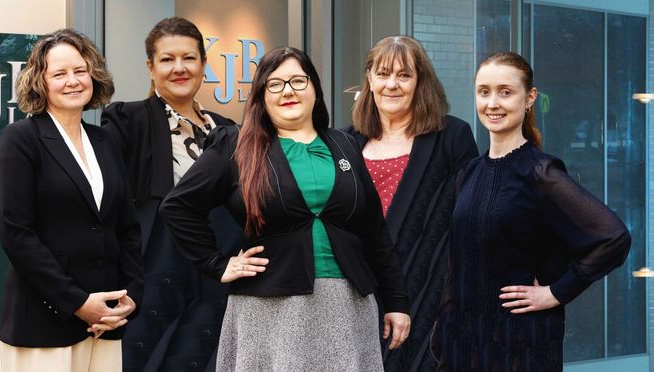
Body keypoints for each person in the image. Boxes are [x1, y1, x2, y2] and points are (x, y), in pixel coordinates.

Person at [160, 46, 411, 371]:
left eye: (298, 81)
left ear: (315, 90)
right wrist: (215, 263)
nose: (288, 91)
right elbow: (178, 207)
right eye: (275, 84)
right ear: (261, 95)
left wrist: (396, 301)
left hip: (347, 304)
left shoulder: (344, 144)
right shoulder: (236, 146)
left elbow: (374, 230)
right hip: (269, 307)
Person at [433, 51, 631, 371]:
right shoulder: (467, 173)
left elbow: (613, 237)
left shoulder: (541, 172)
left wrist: (556, 292)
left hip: (521, 345)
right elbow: (459, 264)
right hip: (464, 345)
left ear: (530, 98)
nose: (493, 103)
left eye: (505, 92)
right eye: (484, 92)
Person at [0, 29, 143, 372]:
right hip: (44, 323)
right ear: (39, 82)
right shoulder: (21, 139)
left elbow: (127, 228)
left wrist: (130, 297)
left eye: (80, 70)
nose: (73, 81)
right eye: (59, 74)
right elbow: (16, 234)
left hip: (105, 322)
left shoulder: (105, 141)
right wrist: (76, 302)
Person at [101, 17, 241, 372]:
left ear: (204, 65)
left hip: (217, 275)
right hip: (154, 276)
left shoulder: (228, 130)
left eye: (189, 58)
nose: (179, 68)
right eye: (166, 59)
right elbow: (107, 200)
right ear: (150, 67)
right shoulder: (125, 121)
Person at [346, 35, 478, 371]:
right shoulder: (345, 142)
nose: (392, 84)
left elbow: (476, 218)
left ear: (421, 82)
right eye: (383, 73)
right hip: (355, 301)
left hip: (429, 300)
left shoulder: (452, 137)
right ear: (370, 80)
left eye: (404, 75)